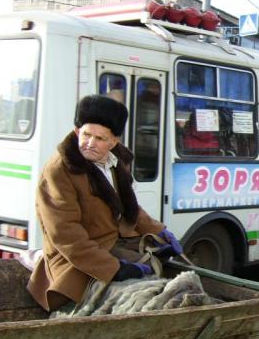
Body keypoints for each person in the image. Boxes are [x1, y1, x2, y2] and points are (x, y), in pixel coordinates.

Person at [27, 94, 182, 312]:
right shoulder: (59, 170)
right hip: (77, 259)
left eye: (99, 139)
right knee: (145, 289)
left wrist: (160, 231)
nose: (90, 143)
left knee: (165, 270)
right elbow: (65, 234)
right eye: (86, 134)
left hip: (112, 244)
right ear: (76, 132)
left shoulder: (117, 160)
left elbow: (128, 206)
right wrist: (114, 269)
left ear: (113, 142)